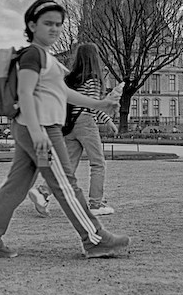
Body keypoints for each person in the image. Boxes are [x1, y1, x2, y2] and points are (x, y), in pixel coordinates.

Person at [0, 0, 129, 259]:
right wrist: (37, 133)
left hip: (33, 128)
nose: (54, 29)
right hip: (41, 129)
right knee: (66, 184)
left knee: (17, 185)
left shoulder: (45, 58)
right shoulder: (34, 54)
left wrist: (100, 103)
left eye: (58, 24)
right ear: (32, 25)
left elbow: (64, 92)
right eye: (48, 24)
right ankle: (95, 239)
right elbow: (25, 91)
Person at [27, 43, 119, 217]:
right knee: (98, 163)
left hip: (69, 125)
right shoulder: (93, 79)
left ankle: (43, 192)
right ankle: (95, 203)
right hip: (85, 123)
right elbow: (92, 105)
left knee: (66, 166)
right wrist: (108, 120)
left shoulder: (71, 80)